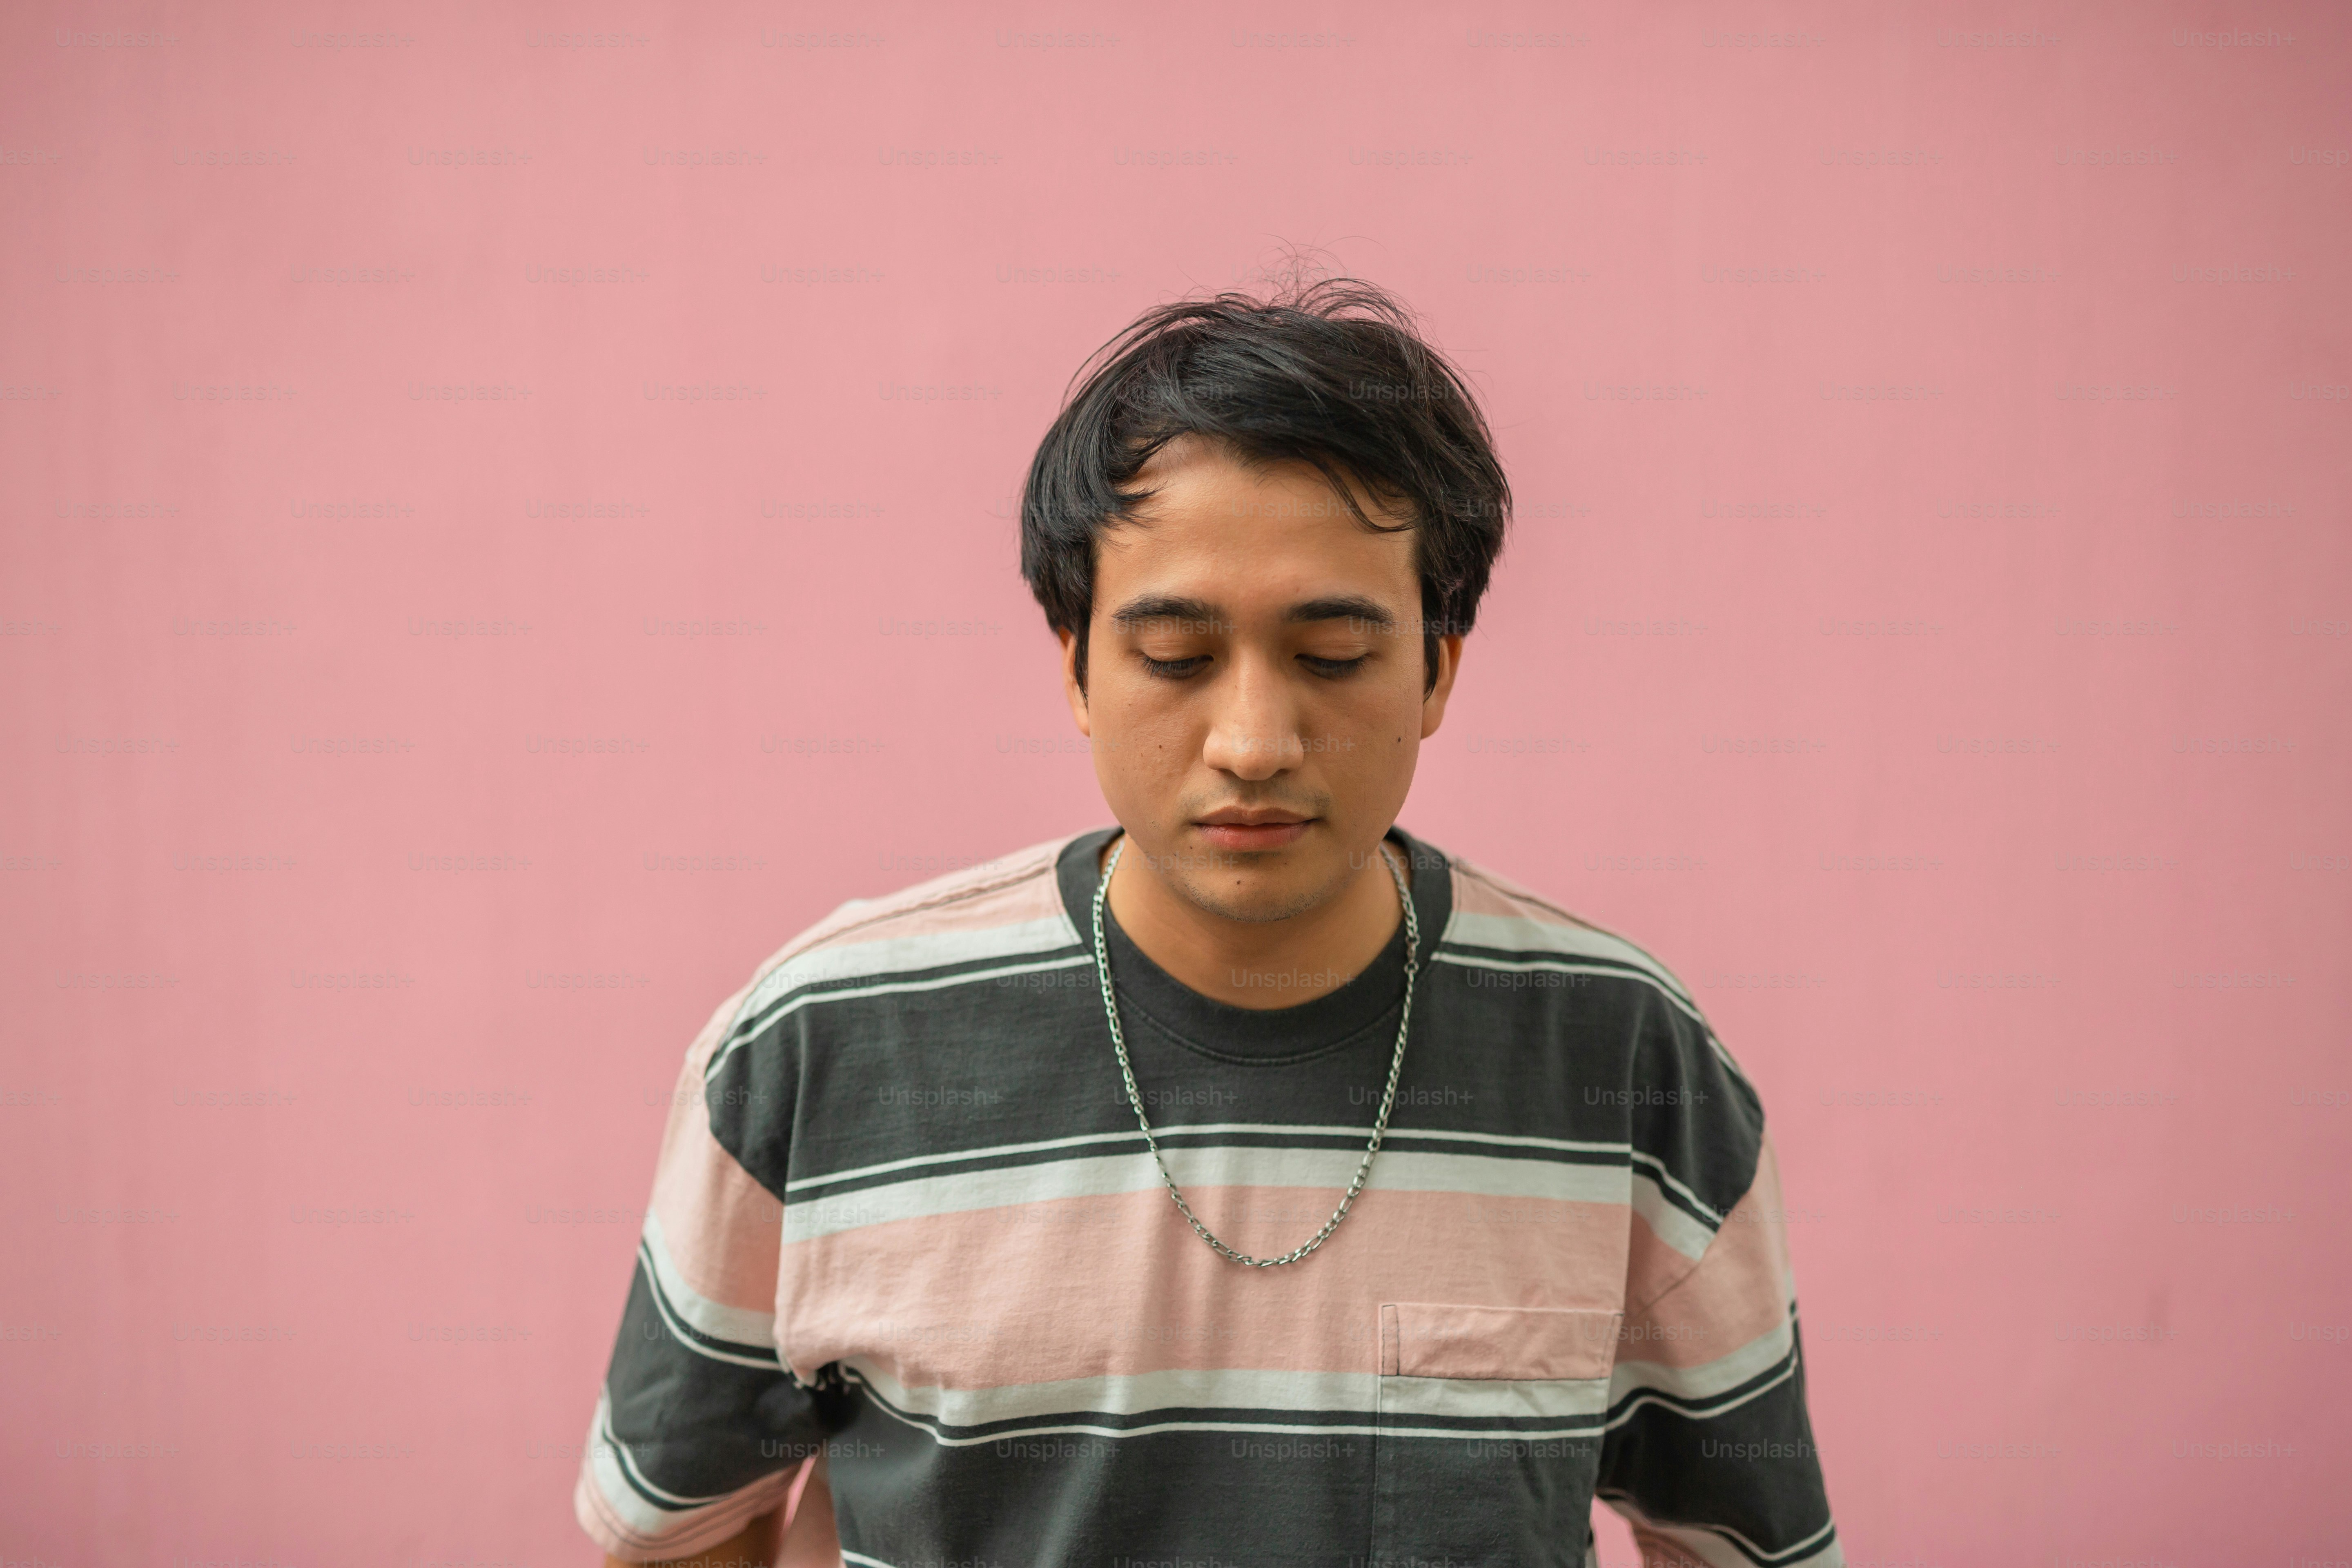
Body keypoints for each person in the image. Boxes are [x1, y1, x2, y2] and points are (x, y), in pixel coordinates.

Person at [575, 278, 1839, 1568]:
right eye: (1176, 656)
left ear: (1438, 665)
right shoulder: (822, 1043)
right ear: (1074, 663)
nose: (1252, 743)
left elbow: (1740, 1546)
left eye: (1335, 656)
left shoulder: (1624, 1058)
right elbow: (679, 1531)